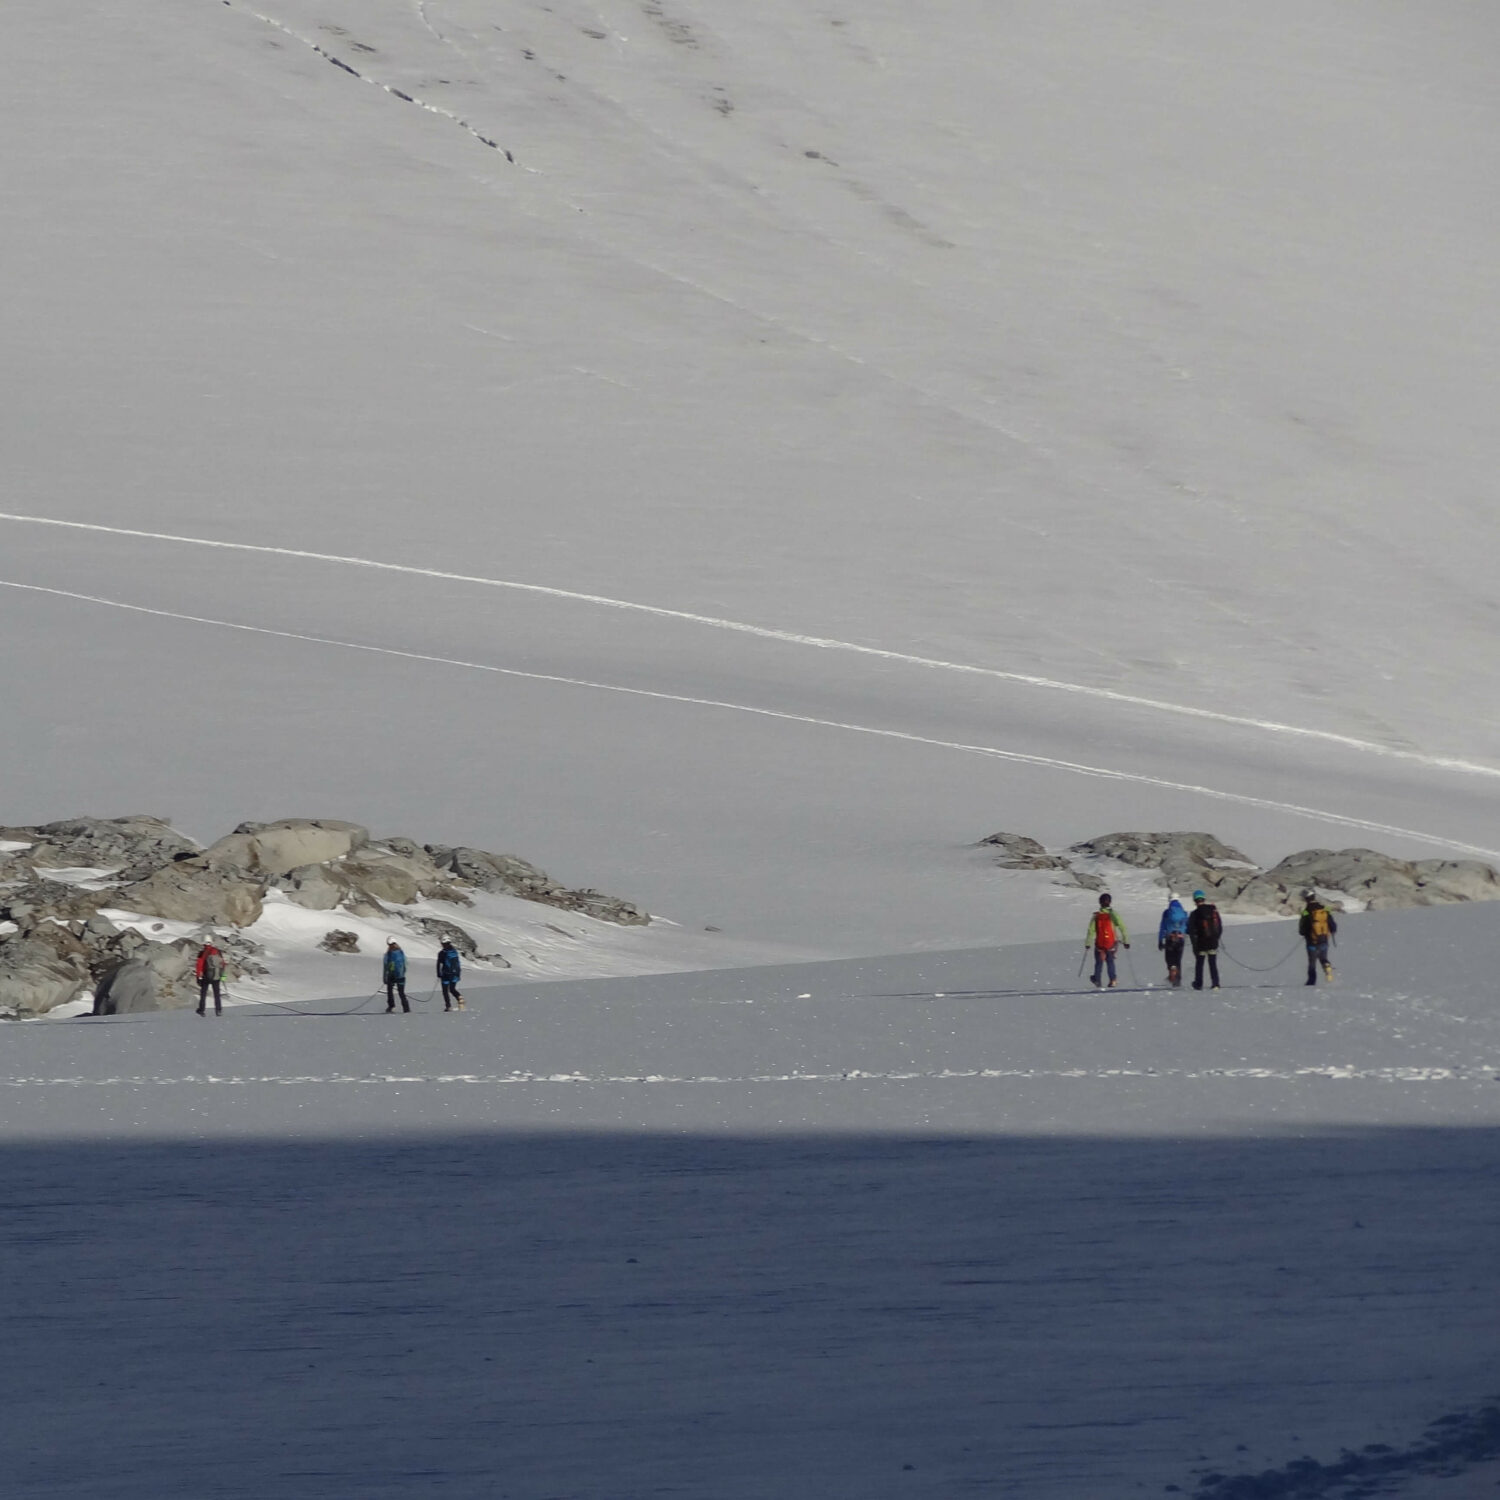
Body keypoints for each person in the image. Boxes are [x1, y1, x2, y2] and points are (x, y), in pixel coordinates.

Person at [1084, 893, 1130, 989]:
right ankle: (1112, 980)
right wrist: (1126, 941)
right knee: (1110, 962)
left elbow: (1091, 930)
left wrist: (1088, 943)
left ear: (1100, 902)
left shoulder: (1097, 916)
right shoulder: (1113, 914)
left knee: (1098, 962)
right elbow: (1122, 927)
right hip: (1111, 944)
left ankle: (1097, 979)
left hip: (1099, 945)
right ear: (1110, 902)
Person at [1298, 890, 1337, 985]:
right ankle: (1326, 965)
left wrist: (1305, 933)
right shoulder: (1325, 909)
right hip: (1324, 939)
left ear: (1306, 899)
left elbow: (1302, 929)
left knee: (1312, 963)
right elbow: (1333, 926)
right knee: (1323, 958)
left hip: (1312, 941)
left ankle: (1311, 981)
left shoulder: (1306, 911)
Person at [1186, 890, 1222, 990]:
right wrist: (1216, 938)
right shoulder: (1213, 910)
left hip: (1201, 943)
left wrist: (1194, 944)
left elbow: (1190, 930)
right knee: (1213, 963)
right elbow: (1219, 926)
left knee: (1199, 964)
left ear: (1195, 900)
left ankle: (1198, 983)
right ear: (1204, 898)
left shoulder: (1195, 914)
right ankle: (1215, 983)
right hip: (1213, 942)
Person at [1157, 894, 1189, 988]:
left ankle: (1172, 969)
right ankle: (1177, 980)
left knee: (1169, 959)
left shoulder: (1167, 913)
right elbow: (1187, 926)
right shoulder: (1184, 912)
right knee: (1178, 959)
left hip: (1170, 938)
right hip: (1180, 938)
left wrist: (1160, 940)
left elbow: (1162, 927)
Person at [195, 940, 226, 1016]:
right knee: (217, 994)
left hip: (206, 976)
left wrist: (198, 977)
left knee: (203, 993)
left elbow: (199, 965)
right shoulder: (217, 951)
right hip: (216, 976)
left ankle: (201, 1010)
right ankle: (218, 1010)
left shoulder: (203, 952)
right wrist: (223, 977)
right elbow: (223, 965)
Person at [436, 940, 464, 1010]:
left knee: (445, 991)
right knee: (452, 989)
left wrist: (438, 973)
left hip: (445, 974)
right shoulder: (454, 952)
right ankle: (459, 997)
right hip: (455, 974)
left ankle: (448, 1006)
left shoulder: (442, 953)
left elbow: (439, 964)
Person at [383, 939, 410, 1013]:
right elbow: (406, 964)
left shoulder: (388, 954)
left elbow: (385, 966)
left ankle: (391, 1006)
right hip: (401, 976)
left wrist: (384, 977)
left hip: (391, 975)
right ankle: (406, 1008)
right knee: (401, 992)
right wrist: (403, 973)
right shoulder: (401, 953)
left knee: (390, 991)